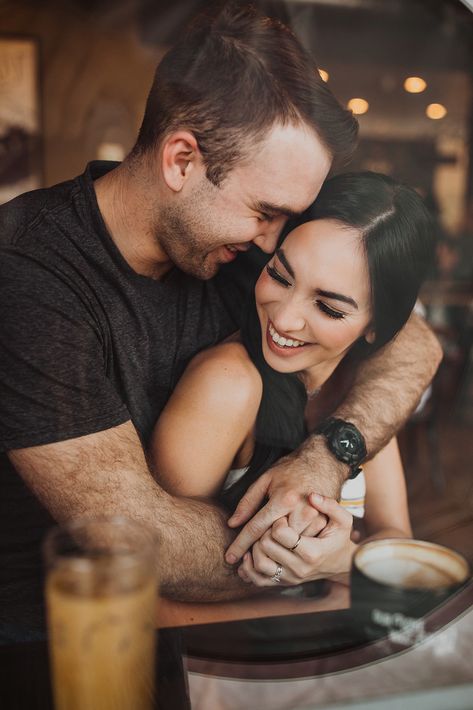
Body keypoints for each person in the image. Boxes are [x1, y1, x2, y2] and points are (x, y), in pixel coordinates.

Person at [0, 5, 440, 641]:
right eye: (265, 211)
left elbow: (410, 340)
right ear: (181, 160)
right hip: (47, 635)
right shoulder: (29, 273)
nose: (273, 240)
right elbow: (134, 538)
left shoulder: (238, 253)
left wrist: (327, 458)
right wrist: (321, 562)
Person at [150, 171, 431, 587]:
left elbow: (394, 533)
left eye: (329, 308)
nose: (283, 318)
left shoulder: (365, 394)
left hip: (338, 639)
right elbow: (163, 558)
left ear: (377, 325)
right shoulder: (226, 383)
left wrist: (342, 560)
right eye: (280, 275)